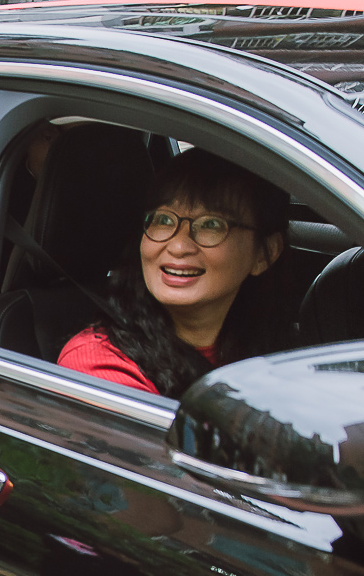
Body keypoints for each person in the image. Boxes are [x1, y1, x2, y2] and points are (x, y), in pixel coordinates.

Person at [57, 148, 292, 398]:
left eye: (211, 224)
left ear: (265, 253)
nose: (178, 246)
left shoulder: (271, 350)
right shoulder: (98, 365)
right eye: (163, 220)